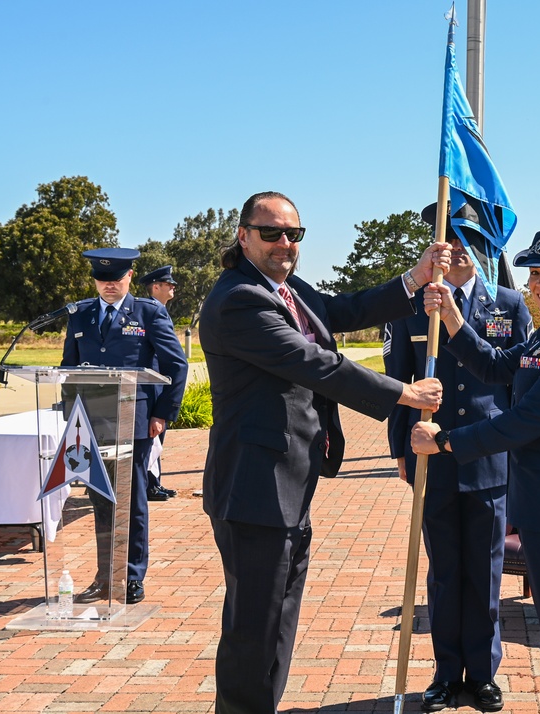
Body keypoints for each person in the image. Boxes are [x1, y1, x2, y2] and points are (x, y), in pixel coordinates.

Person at [199, 191, 448, 714]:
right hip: (254, 488)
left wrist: (415, 278)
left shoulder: (286, 289)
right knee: (253, 630)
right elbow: (313, 363)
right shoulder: (239, 299)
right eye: (271, 233)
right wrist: (405, 393)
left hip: (288, 483)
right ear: (243, 235)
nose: (285, 243)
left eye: (294, 234)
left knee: (277, 621)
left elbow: (342, 309)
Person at [411, 230, 540, 714]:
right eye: (536, 274)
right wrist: (453, 320)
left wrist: (444, 442)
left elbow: (523, 423)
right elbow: (496, 367)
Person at [384, 203, 532, 712]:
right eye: (451, 239)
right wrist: (401, 447)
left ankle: (484, 673)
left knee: (486, 573)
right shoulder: (412, 307)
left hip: (491, 459)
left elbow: (518, 384)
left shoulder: (508, 305)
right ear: (436, 249)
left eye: (471, 239)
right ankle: (447, 674)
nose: (461, 249)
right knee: (445, 573)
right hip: (433, 458)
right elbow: (396, 383)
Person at [63, 248, 188, 605]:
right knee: (101, 502)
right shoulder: (81, 314)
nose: (108, 286)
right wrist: (70, 418)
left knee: (130, 504)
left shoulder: (148, 313)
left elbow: (175, 366)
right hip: (90, 423)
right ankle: (105, 576)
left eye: (116, 280)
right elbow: (68, 368)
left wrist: (162, 415)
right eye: (102, 280)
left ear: (130, 277)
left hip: (134, 423)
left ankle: (131, 577)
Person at [138, 264, 180, 501]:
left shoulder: (159, 310)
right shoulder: (150, 310)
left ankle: (154, 482)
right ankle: (149, 485)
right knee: (152, 437)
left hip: (160, 382)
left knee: (157, 437)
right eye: (168, 284)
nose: (173, 287)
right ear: (156, 287)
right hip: (150, 382)